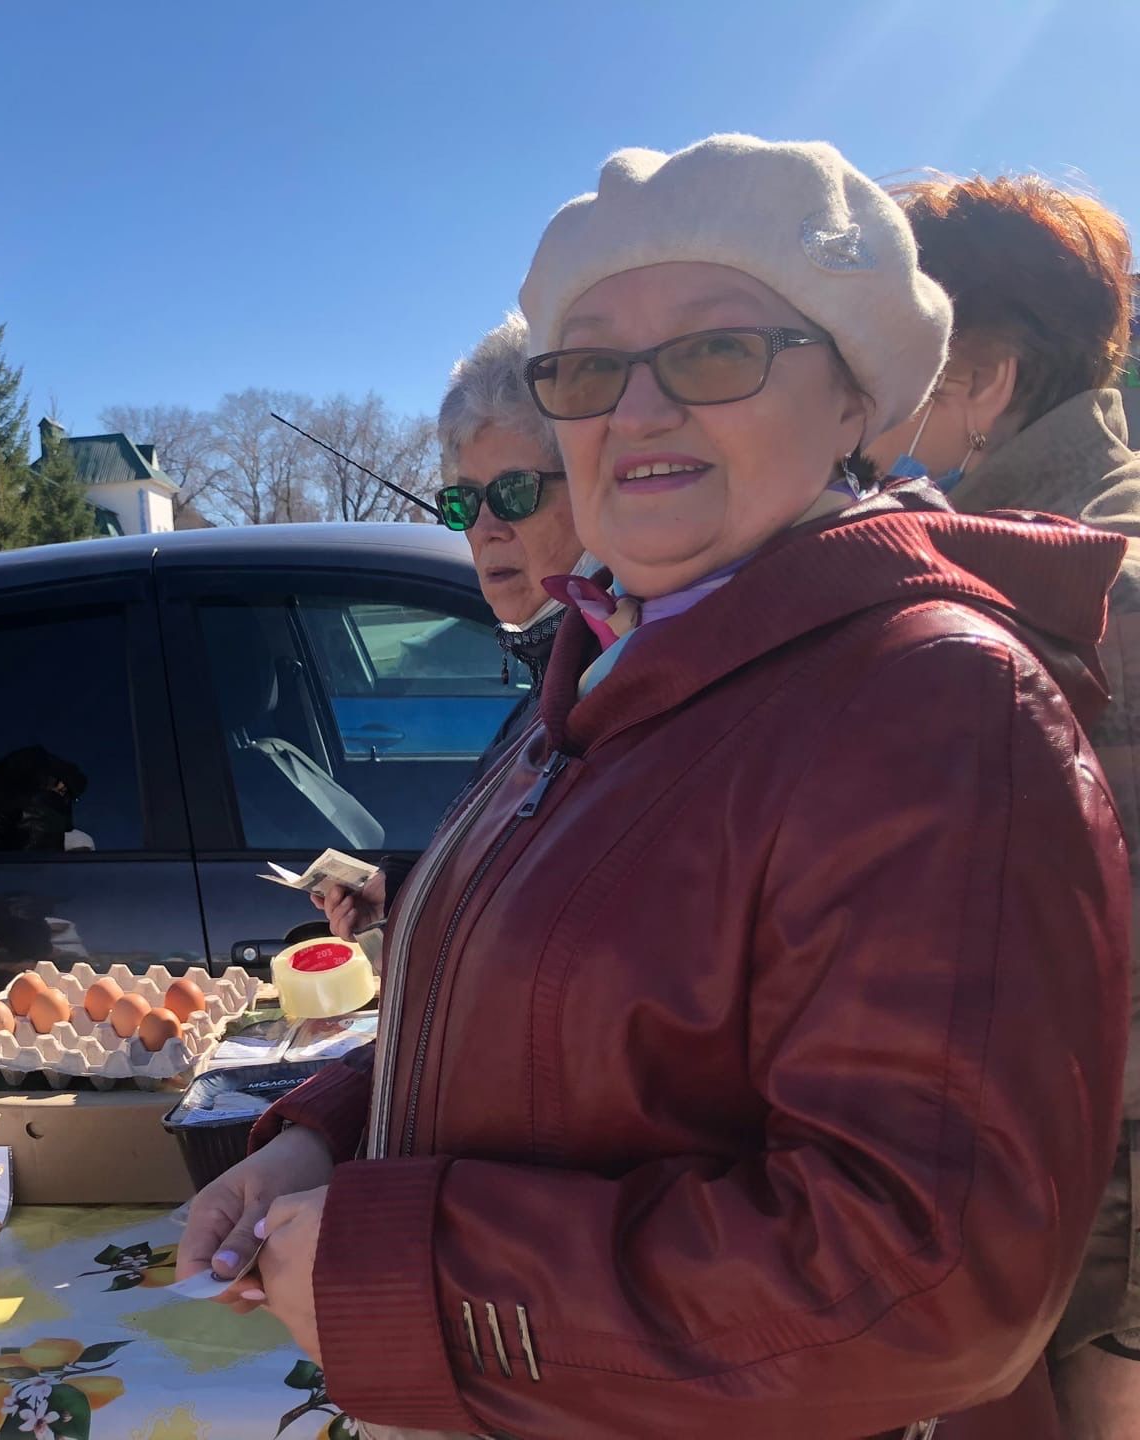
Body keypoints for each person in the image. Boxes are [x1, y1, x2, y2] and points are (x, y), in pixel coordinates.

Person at [179, 135, 1131, 1440]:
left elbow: (924, 1283)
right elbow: (560, 1025)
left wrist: (402, 1269)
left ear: (857, 398)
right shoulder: (611, 660)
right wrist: (326, 1141)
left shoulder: (933, 701)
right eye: (587, 366)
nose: (636, 410)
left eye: (715, 351)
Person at [865, 173, 1140, 1439]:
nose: (879, 408)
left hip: (1094, 1240)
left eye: (907, 365)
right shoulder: (1021, 545)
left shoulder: (1103, 594)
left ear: (986, 373)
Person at [317, 316, 593, 944]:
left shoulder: (609, 683)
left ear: (593, 486)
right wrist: (407, 891)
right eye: (464, 501)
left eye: (516, 492)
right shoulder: (556, 673)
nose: (486, 528)